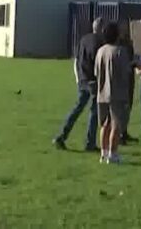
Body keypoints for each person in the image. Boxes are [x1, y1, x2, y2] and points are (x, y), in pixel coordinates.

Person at [53, 17, 103, 151]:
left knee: (77, 109)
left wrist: (78, 78)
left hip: (82, 79)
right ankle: (90, 142)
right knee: (94, 112)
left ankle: (61, 136)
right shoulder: (99, 42)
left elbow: (77, 60)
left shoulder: (83, 39)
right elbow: (98, 64)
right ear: (101, 29)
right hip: (93, 80)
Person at [93, 22, 134, 164]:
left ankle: (103, 153)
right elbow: (125, 72)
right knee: (116, 125)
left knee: (105, 124)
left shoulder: (100, 51)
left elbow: (96, 71)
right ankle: (113, 153)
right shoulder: (120, 51)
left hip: (102, 92)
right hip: (117, 93)